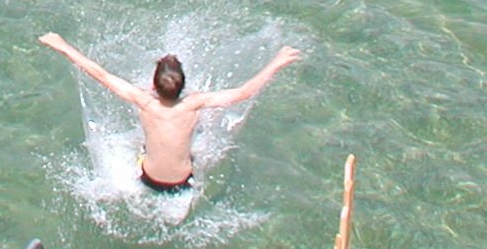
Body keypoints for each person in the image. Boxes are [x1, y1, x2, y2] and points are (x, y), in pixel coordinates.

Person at [38, 33, 303, 193]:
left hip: (148, 180)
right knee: (202, 127)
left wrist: (62, 45)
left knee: (143, 144)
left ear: (153, 86)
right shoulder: (194, 103)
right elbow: (244, 92)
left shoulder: (143, 100)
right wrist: (277, 62)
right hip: (183, 183)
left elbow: (101, 74)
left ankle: (148, 152)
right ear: (184, 87)